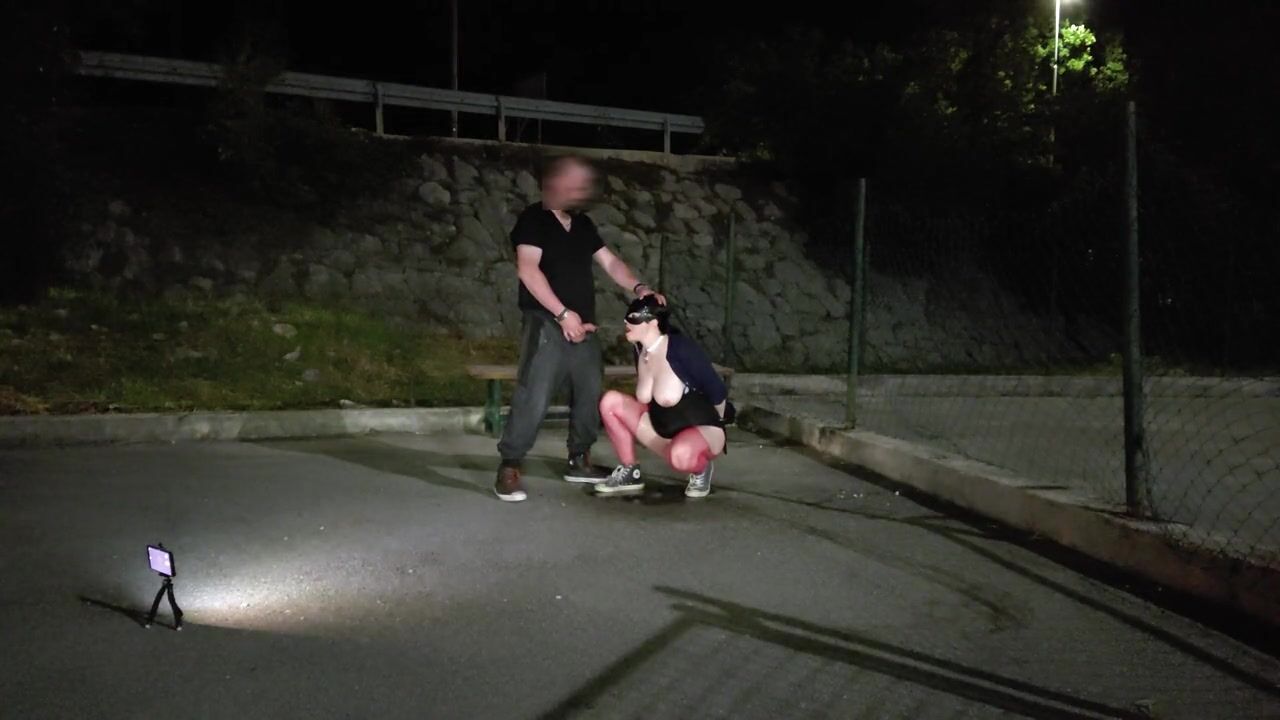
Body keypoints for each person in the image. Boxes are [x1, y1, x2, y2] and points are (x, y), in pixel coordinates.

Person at [494, 156, 665, 503]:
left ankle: (579, 459)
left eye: (584, 186)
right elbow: (528, 270)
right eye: (576, 185)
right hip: (547, 321)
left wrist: (639, 288)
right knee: (534, 394)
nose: (583, 192)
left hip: (584, 325)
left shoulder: (582, 224)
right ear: (555, 183)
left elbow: (611, 262)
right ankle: (509, 466)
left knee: (589, 391)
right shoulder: (534, 220)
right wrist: (561, 314)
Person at [594, 295, 732, 499]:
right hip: (663, 431)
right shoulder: (640, 350)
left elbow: (717, 390)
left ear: (653, 322)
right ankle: (630, 470)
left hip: (701, 431)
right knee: (610, 402)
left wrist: (717, 429)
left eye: (633, 318)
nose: (626, 322)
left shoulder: (679, 347)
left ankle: (700, 468)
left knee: (680, 456)